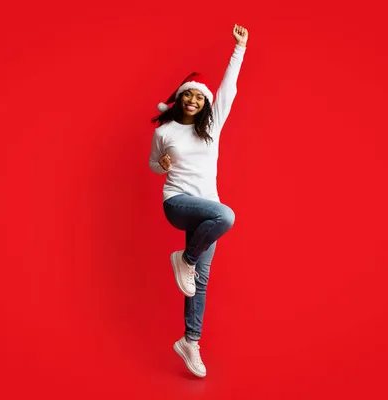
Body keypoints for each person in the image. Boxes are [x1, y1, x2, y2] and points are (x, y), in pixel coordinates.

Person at [148, 24, 249, 378]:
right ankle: (185, 258)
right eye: (188, 95)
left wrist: (240, 48)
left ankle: (190, 341)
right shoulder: (164, 131)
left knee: (198, 281)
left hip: (206, 209)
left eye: (200, 97)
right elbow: (152, 164)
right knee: (227, 216)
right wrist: (160, 165)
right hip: (178, 203)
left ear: (205, 102)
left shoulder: (212, 126)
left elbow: (229, 89)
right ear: (180, 98)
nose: (194, 101)